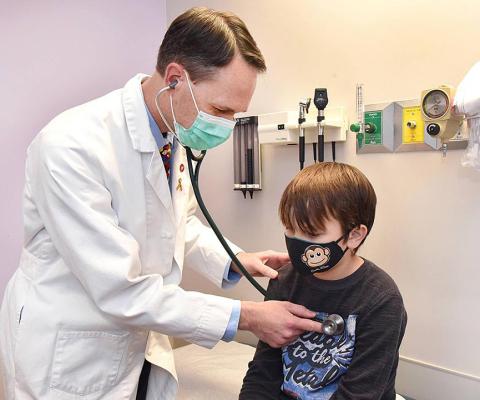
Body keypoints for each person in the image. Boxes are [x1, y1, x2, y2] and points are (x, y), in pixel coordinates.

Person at [0, 7, 324, 400]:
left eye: (236, 114)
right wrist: (246, 317)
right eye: (221, 110)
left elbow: (176, 224)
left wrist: (235, 261)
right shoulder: (71, 147)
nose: (226, 125)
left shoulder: (172, 135)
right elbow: (120, 290)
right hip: (72, 350)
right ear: (175, 79)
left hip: (136, 343)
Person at [240, 162, 407, 400]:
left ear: (354, 235)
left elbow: (362, 393)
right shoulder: (284, 280)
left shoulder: (381, 300)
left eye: (311, 234)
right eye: (290, 229)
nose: (297, 242)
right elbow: (264, 371)